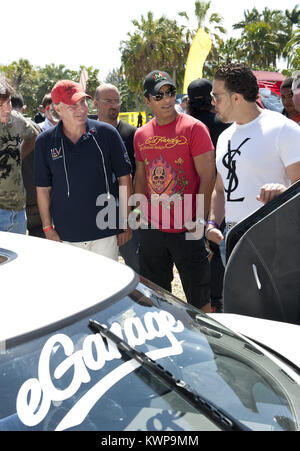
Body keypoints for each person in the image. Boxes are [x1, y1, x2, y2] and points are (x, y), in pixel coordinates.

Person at [134, 70, 216, 313]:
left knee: (199, 298)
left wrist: (200, 219)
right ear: (147, 101)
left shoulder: (194, 128)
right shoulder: (141, 135)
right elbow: (141, 175)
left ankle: (205, 343)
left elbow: (207, 175)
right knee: (155, 298)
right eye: (158, 95)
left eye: (169, 92)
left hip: (187, 227)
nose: (167, 99)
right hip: (152, 229)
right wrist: (138, 211)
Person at [206, 63, 300, 266]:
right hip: (231, 238)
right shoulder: (224, 137)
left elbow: (298, 188)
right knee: (237, 299)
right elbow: (221, 190)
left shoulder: (283, 129)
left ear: (236, 98)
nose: (213, 103)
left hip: (273, 237)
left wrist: (283, 192)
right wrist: (213, 223)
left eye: (217, 96)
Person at [34, 80, 132, 261]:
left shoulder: (108, 134)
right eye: (73, 105)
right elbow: (42, 188)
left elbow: (124, 178)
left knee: (107, 287)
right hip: (66, 237)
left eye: (83, 102)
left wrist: (126, 221)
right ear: (57, 108)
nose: (81, 109)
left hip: (105, 233)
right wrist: (48, 227)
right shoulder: (44, 142)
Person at [187, 77, 231, 312]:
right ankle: (215, 302)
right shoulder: (223, 125)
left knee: (193, 254)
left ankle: (199, 302)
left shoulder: (184, 125)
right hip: (217, 198)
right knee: (214, 250)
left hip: (187, 200)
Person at [94, 83, 139, 272]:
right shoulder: (87, 133)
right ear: (95, 103)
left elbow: (137, 178)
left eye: (117, 101)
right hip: (97, 215)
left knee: (137, 270)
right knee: (102, 269)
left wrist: (131, 216)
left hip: (127, 214)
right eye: (108, 101)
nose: (114, 105)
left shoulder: (132, 134)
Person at [0, 77, 38, 234]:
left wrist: (18, 157)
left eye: (8, 102)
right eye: (0, 106)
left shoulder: (16, 120)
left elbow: (33, 136)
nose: (7, 109)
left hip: (19, 211)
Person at [11, 92, 44, 237]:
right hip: (38, 200)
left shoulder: (8, 128)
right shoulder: (38, 128)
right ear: (23, 108)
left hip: (17, 202)